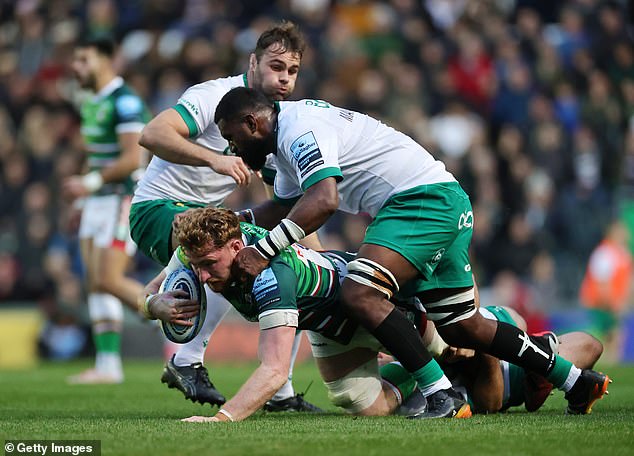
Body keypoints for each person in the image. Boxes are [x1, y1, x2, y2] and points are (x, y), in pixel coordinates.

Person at [213, 87, 611, 415]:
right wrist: (223, 221)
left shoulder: (300, 130)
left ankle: (440, 392)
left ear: (253, 123)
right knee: (462, 326)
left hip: (417, 203)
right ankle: (575, 381)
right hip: (438, 200)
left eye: (233, 138)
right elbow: (282, 206)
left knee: (359, 291)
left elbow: (323, 200)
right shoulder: (284, 140)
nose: (232, 148)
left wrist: (264, 249)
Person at [130, 22, 321, 411]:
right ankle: (186, 361)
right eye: (276, 66)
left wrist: (319, 257)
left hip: (206, 220)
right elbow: (151, 134)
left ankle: (279, 391)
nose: (284, 79)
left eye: (292, 71)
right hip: (157, 209)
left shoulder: (272, 123)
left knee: (294, 260)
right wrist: (215, 159)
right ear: (253, 62)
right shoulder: (214, 95)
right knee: (228, 248)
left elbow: (287, 206)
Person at [144, 207, 471, 422]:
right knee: (360, 401)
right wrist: (153, 305)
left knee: (451, 346)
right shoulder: (201, 249)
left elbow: (273, 372)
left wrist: (221, 419)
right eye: (196, 265)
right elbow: (149, 292)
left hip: (369, 304)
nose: (200, 276)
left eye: (209, 265)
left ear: (234, 247)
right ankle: (415, 374)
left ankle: (479, 340)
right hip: (327, 325)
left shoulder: (273, 275)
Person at [62, 36, 151, 384]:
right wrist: (86, 194)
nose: (76, 67)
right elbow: (99, 155)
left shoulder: (125, 101)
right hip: (98, 200)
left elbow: (133, 158)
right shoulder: (90, 101)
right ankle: (108, 365)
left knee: (108, 279)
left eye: (83, 59)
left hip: (121, 198)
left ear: (106, 61)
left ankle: (172, 315)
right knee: (94, 283)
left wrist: (91, 183)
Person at [409, 305, 605, 414]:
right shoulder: (417, 376)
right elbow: (491, 403)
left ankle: (539, 360)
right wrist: (484, 344)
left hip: (494, 320)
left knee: (592, 344)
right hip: (507, 377)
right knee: (591, 346)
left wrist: (475, 332)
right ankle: (539, 361)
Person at [579, 220, 633, 364]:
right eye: (622, 230)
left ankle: (611, 365)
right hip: (601, 305)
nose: (626, 233)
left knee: (616, 337)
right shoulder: (604, 253)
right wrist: (612, 304)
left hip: (614, 304)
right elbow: (602, 283)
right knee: (608, 338)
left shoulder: (622, 252)